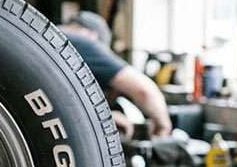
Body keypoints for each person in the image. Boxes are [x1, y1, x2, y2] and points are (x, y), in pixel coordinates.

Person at [60, 11, 172, 139]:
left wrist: (100, 116)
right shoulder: (82, 42)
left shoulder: (43, 40)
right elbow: (145, 91)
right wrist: (163, 127)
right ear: (92, 35)